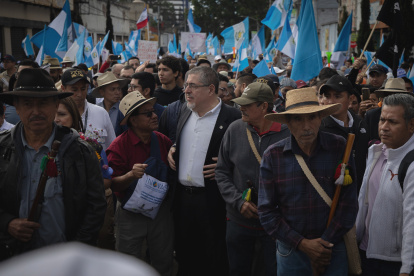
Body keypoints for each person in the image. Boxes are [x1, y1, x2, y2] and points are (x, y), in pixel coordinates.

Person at [0, 68, 106, 259]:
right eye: (27, 104)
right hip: (14, 259)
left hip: (64, 260)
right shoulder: (3, 149)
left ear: (56, 104)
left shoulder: (80, 151)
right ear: (16, 107)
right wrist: (7, 223)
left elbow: (95, 207)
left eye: (43, 103)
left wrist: (76, 251)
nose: (36, 111)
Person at [258, 87, 358, 275]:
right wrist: (303, 244)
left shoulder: (339, 146)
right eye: (298, 119)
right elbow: (266, 211)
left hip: (332, 248)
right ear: (287, 122)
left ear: (320, 118)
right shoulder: (273, 155)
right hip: (291, 251)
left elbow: (349, 202)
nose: (306, 126)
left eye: (312, 117)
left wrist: (324, 244)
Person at [168, 66, 241, 276]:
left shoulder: (233, 117)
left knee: (215, 258)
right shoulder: (184, 111)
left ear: (211, 89)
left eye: (192, 86)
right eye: (186, 85)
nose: (186, 90)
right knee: (185, 256)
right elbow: (184, 141)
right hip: (182, 200)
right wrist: (174, 148)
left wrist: (228, 164)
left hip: (214, 200)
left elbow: (244, 155)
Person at [216, 82, 290, 276]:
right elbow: (221, 172)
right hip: (238, 221)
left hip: (275, 225)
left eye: (247, 105)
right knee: (238, 270)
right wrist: (238, 201)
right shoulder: (234, 130)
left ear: (264, 106)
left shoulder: (287, 134)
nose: (241, 108)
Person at [107, 91, 174, 276]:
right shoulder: (119, 146)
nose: (154, 116)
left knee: (163, 259)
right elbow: (112, 185)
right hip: (130, 213)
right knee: (129, 262)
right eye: (147, 113)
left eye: (153, 111)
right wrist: (130, 175)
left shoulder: (162, 140)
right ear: (133, 120)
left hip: (160, 211)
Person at [356, 93, 414, 276]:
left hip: (393, 263)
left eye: (393, 122)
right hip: (366, 253)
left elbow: (411, 220)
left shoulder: (411, 164)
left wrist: (406, 268)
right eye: (382, 120)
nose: (384, 127)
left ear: (411, 125)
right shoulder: (376, 153)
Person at [54, 96, 115, 250]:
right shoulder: (39, 147)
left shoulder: (89, 148)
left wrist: (82, 239)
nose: (56, 120)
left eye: (61, 114)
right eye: (53, 114)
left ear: (73, 118)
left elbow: (100, 194)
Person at [319, 75, 369, 190]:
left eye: (337, 96)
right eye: (327, 96)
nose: (331, 101)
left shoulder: (361, 124)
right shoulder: (320, 128)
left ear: (351, 98)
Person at [60, 68, 116, 150]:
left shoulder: (100, 113)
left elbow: (111, 147)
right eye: (74, 90)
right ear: (63, 88)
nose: (79, 94)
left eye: (83, 89)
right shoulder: (56, 115)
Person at [91, 72, 129, 136]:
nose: (117, 92)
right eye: (112, 89)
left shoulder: (124, 109)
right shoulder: (95, 110)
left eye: (118, 89)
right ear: (102, 92)